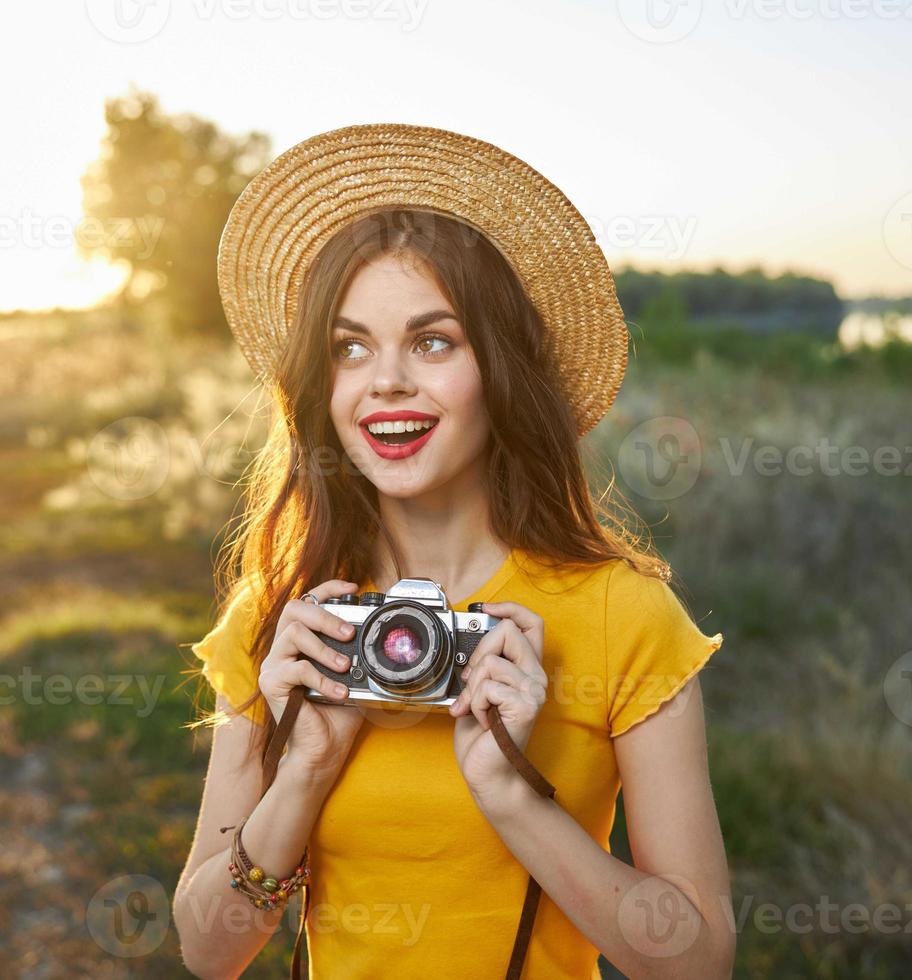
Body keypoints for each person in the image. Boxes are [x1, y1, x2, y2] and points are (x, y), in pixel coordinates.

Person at [174, 123, 733, 979]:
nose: (386, 379)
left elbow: (696, 962)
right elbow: (210, 952)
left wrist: (515, 797)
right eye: (349, 347)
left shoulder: (625, 614)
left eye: (433, 340)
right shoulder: (286, 617)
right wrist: (304, 769)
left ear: (499, 369)